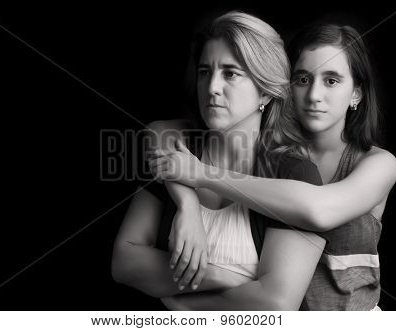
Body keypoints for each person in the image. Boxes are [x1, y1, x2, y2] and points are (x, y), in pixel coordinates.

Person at [149, 23, 396, 310]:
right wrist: (187, 203)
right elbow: (160, 131)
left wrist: (202, 174)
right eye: (303, 79)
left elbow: (318, 210)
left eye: (331, 80)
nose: (314, 95)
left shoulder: (378, 163)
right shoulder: (274, 153)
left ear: (357, 93)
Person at [112, 11, 326, 310]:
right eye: (204, 72)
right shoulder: (178, 149)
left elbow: (275, 304)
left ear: (265, 90)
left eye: (230, 73)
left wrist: (181, 306)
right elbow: (125, 261)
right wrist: (222, 276)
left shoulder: (293, 173)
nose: (211, 87)